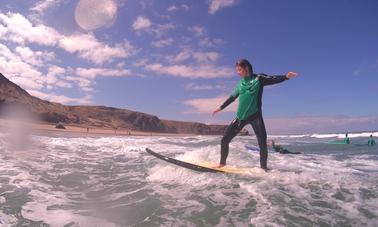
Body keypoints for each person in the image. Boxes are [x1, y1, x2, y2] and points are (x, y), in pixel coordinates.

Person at [212, 59, 298, 170]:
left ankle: (263, 168)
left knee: (262, 144)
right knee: (225, 140)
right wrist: (220, 108)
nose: (238, 72)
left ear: (246, 68)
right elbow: (232, 98)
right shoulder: (240, 83)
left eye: (239, 69)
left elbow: (272, 79)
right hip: (240, 117)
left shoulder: (259, 79)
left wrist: (286, 77)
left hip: (255, 116)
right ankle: (222, 164)